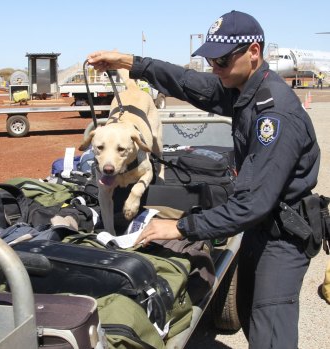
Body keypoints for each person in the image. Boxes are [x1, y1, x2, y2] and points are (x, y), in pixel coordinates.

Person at [87, 10, 320, 349]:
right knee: (248, 313)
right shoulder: (243, 87)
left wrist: (181, 227)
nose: (215, 69)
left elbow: (254, 203)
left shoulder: (274, 115)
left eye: (222, 60)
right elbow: (187, 82)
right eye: (211, 60)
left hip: (281, 236)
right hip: (260, 226)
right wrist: (128, 62)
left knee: (271, 332)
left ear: (253, 52)